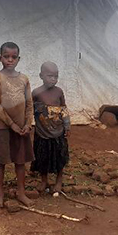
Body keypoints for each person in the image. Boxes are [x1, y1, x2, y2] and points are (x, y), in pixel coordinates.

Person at [0, 42, 35, 207]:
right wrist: (11, 124)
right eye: (6, 57)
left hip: (22, 128)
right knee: (1, 161)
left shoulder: (24, 79)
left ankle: (21, 193)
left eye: (14, 57)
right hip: (3, 127)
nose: (10, 60)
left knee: (20, 161)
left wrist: (28, 123)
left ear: (18, 59)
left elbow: (29, 104)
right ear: (0, 58)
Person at [31, 61, 70, 194]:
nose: (53, 79)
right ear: (41, 75)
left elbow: (64, 109)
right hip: (42, 132)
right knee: (42, 157)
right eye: (50, 76)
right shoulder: (36, 93)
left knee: (59, 156)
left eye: (56, 76)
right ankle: (44, 180)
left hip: (58, 132)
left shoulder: (59, 92)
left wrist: (67, 125)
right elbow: (30, 110)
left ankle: (59, 180)